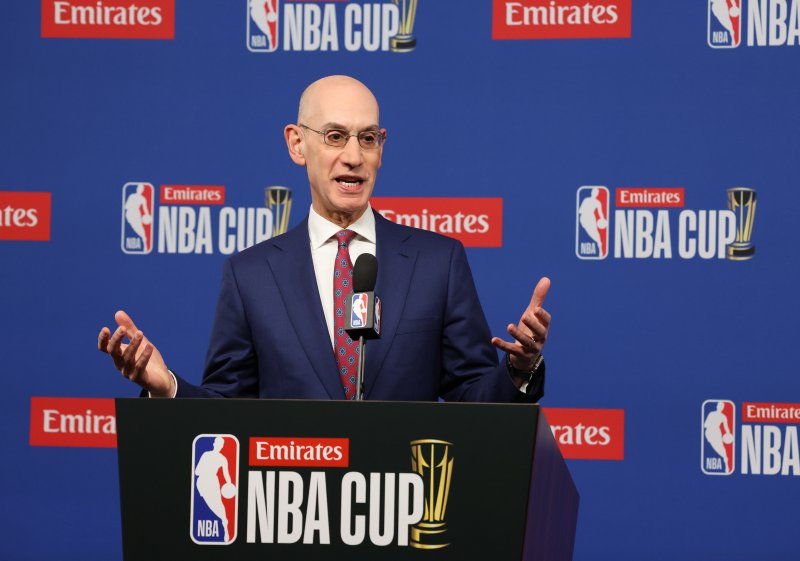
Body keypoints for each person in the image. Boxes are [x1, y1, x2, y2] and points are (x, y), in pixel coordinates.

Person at [98, 75, 551, 402]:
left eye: (368, 138)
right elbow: (227, 413)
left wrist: (519, 368)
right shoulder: (250, 275)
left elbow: (475, 402)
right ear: (297, 144)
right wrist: (167, 387)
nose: (353, 156)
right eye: (335, 136)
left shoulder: (438, 262)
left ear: (381, 148)